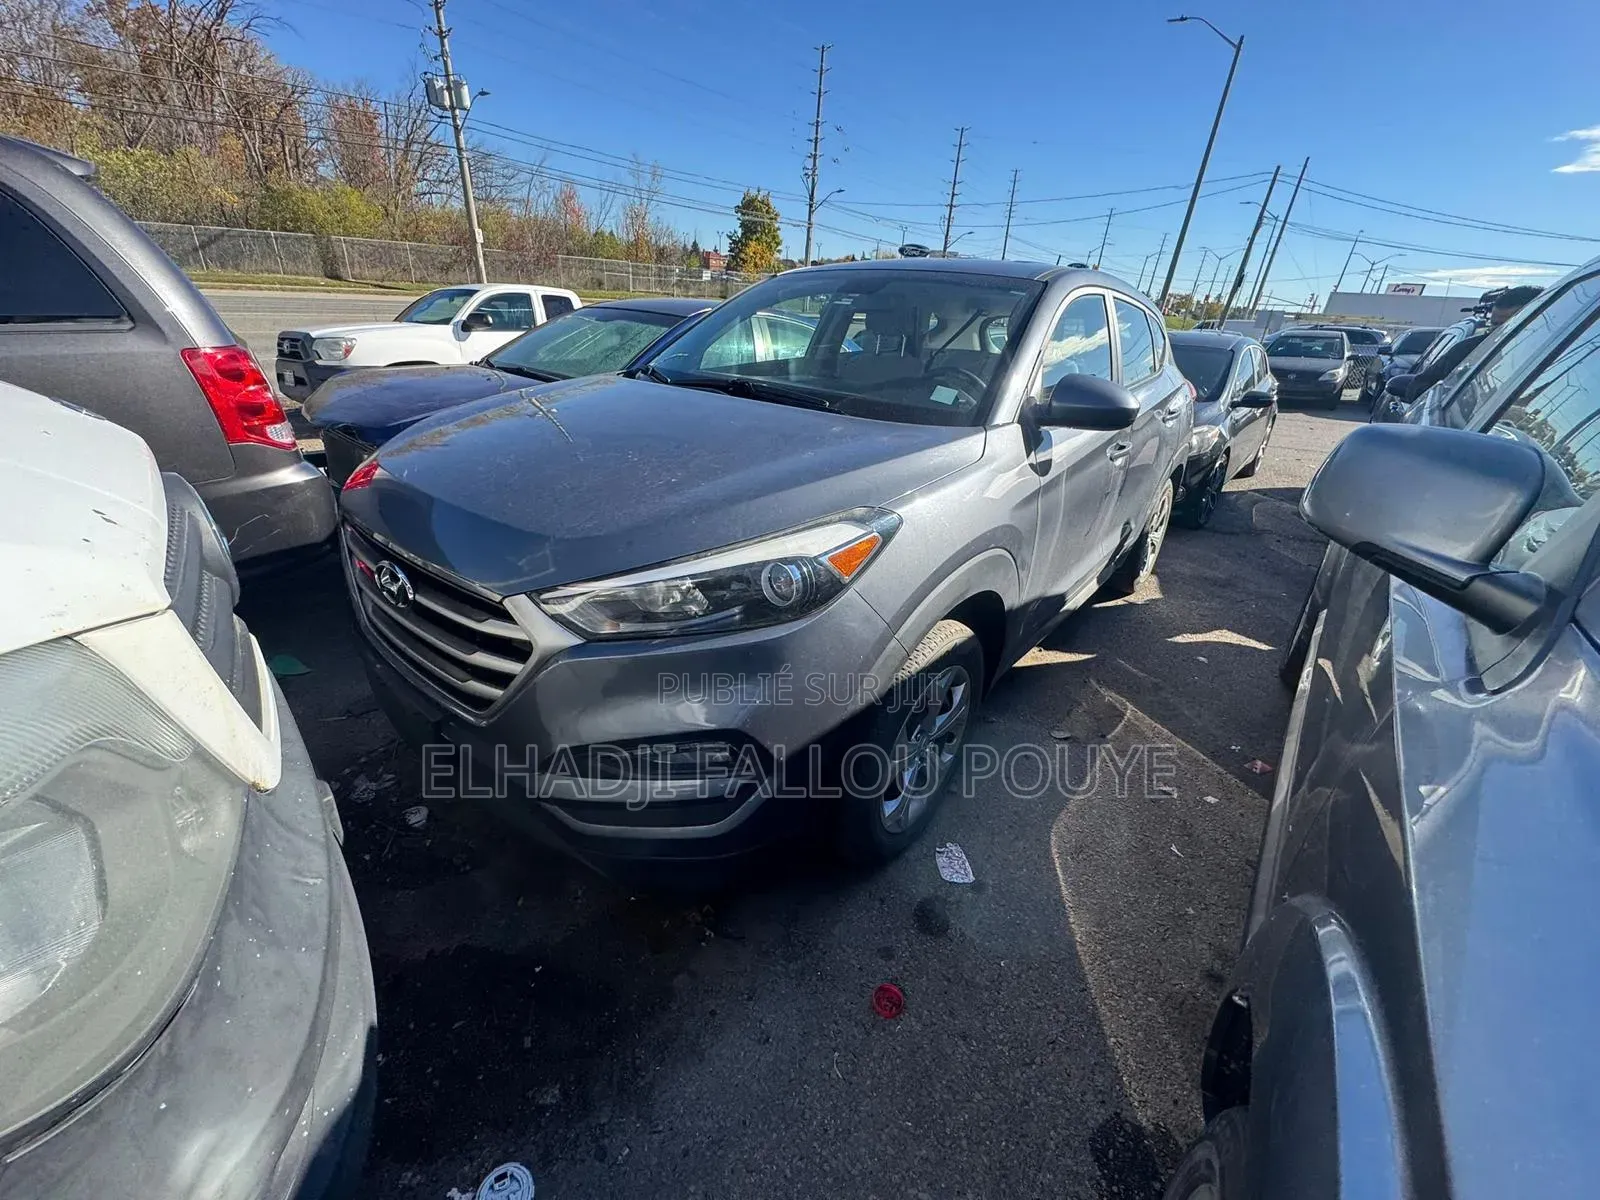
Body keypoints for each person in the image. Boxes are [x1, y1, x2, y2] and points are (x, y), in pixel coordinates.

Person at [1403, 285, 1545, 400]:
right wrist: (1455, 395)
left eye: (1511, 326)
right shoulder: (1468, 351)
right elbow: (1418, 387)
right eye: (1494, 325)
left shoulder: (1555, 354)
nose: (1499, 333)